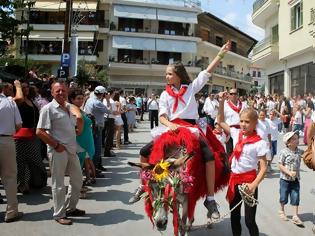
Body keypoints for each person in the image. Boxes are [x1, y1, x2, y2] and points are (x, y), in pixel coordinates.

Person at [129, 40, 231, 221]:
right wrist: (170, 125)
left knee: (209, 156)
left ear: (178, 75)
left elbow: (207, 71)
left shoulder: (191, 88)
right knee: (144, 151)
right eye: (166, 74)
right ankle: (143, 185)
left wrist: (221, 54)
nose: (166, 77)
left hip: (191, 129)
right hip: (172, 129)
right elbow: (161, 116)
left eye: (169, 74)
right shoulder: (165, 94)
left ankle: (210, 199)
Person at [217, 93, 268, 236]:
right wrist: (221, 102)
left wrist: (253, 186)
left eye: (247, 121)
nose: (243, 124)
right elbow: (220, 121)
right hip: (234, 181)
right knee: (234, 218)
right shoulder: (235, 133)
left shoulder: (260, 143)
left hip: (249, 184)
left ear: (254, 124)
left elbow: (263, 168)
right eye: (241, 121)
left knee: (250, 221)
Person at [36, 81, 85, 225]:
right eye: (57, 91)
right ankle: (59, 214)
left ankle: (70, 207)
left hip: (71, 149)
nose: (61, 93)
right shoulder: (48, 109)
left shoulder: (69, 107)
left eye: (63, 90)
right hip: (58, 150)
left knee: (77, 180)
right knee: (58, 184)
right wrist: (56, 145)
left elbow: (76, 124)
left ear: (67, 92)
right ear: (52, 93)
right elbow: (39, 131)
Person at [14, 82, 46, 193]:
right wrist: (18, 87)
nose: (26, 89)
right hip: (20, 137)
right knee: (21, 162)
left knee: (36, 161)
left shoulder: (31, 101)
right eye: (23, 87)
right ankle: (23, 185)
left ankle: (36, 182)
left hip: (33, 135)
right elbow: (19, 99)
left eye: (27, 87)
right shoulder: (17, 101)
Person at [0, 82, 23, 223]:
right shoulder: (9, 102)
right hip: (6, 140)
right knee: (9, 177)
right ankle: (12, 211)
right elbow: (19, 125)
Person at [68, 89, 96, 185]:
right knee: (78, 164)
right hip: (79, 141)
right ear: (72, 99)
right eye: (78, 99)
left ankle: (81, 183)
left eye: (81, 98)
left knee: (82, 161)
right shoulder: (72, 109)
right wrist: (77, 132)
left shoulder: (79, 109)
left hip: (86, 139)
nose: (80, 100)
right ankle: (76, 186)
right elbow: (76, 121)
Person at [278, 131, 304, 226]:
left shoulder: (299, 151)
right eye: (294, 139)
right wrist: (288, 172)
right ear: (288, 143)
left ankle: (295, 216)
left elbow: (307, 155)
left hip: (295, 179)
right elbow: (280, 165)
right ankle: (281, 211)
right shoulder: (284, 152)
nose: (297, 140)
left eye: (297, 138)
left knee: (295, 196)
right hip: (284, 179)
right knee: (283, 196)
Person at [84, 86, 110, 173]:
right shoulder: (97, 102)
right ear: (102, 94)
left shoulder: (89, 100)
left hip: (91, 126)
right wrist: (108, 100)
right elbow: (109, 110)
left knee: (93, 148)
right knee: (97, 149)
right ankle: (93, 169)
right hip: (96, 127)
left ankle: (95, 167)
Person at [223, 88, 246, 155]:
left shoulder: (244, 105)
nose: (233, 95)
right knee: (230, 153)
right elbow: (219, 119)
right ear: (228, 95)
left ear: (238, 95)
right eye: (231, 94)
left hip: (241, 132)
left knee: (241, 152)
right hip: (229, 132)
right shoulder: (225, 105)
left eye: (235, 93)